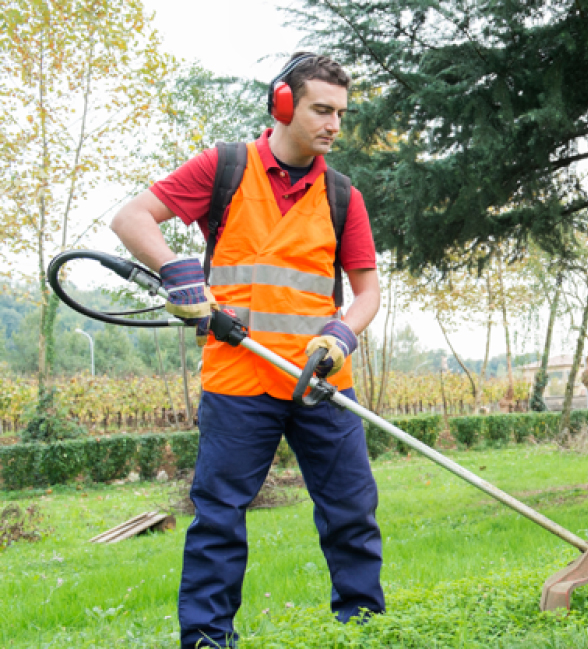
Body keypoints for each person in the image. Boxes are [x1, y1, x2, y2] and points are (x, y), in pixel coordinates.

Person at [110, 53, 384, 649]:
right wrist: (177, 269)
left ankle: (362, 630)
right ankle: (208, 638)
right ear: (283, 103)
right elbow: (132, 218)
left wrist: (342, 335)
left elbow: (366, 293)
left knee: (352, 513)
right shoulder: (225, 167)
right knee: (218, 518)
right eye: (321, 109)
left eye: (341, 112)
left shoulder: (343, 196)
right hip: (238, 378)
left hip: (320, 383)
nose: (334, 124)